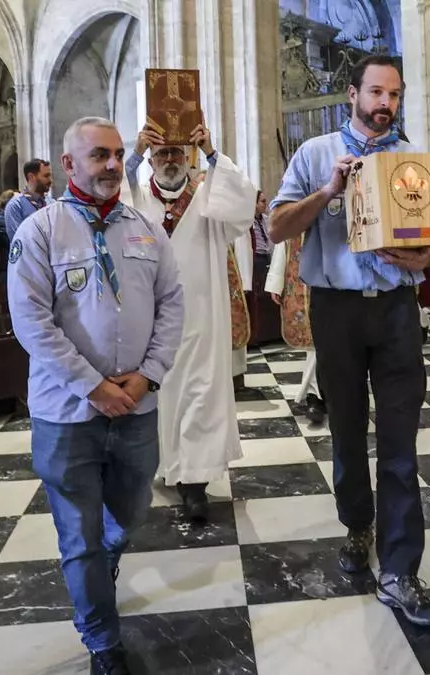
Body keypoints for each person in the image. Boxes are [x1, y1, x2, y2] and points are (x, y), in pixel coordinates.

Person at [267, 55, 430, 628]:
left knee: (400, 442)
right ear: (352, 93)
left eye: (393, 93)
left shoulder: (411, 161)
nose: (384, 103)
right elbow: (276, 227)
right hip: (337, 312)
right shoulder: (315, 152)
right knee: (346, 432)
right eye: (375, 91)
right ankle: (357, 524)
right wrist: (327, 191)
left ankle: (399, 571)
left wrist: (422, 256)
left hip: (396, 312)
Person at [9, 116, 184, 675]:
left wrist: (147, 375)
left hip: (137, 406)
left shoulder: (143, 228)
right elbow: (31, 322)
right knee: (79, 536)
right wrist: (93, 386)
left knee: (129, 514)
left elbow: (173, 303)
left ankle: (106, 562)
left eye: (117, 154)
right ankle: (101, 640)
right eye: (98, 156)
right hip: (67, 412)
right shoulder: (39, 231)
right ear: (69, 165)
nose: (112, 165)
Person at [124, 122, 255, 523]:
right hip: (152, 324)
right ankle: (167, 466)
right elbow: (108, 201)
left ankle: (194, 484)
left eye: (176, 154)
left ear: (187, 160)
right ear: (151, 160)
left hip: (202, 318)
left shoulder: (208, 200)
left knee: (200, 393)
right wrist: (132, 153)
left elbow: (242, 206)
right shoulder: (137, 201)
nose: (168, 161)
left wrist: (213, 153)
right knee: (160, 399)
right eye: (160, 154)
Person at [264, 235, 326, 424]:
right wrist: (276, 282)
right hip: (303, 284)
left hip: (336, 281)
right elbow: (284, 241)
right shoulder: (295, 206)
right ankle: (315, 396)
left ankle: (322, 394)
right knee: (314, 344)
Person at [4, 158, 53, 241]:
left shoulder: (52, 203)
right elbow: (17, 240)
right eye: (46, 176)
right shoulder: (15, 206)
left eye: (50, 176)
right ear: (31, 177)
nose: (50, 180)